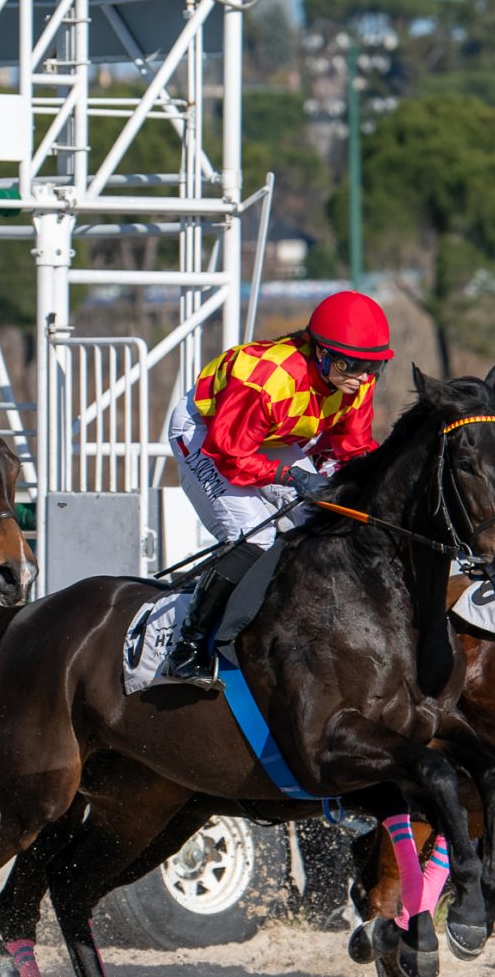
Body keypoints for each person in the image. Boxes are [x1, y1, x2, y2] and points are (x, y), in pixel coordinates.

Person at [158, 290, 390, 689]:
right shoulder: (268, 379)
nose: (362, 378)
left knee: (320, 521)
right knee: (255, 536)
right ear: (321, 353)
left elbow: (352, 449)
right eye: (353, 365)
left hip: (269, 435)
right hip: (207, 432)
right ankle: (187, 646)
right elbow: (229, 454)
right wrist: (292, 477)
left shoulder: (356, 382)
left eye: (373, 367)